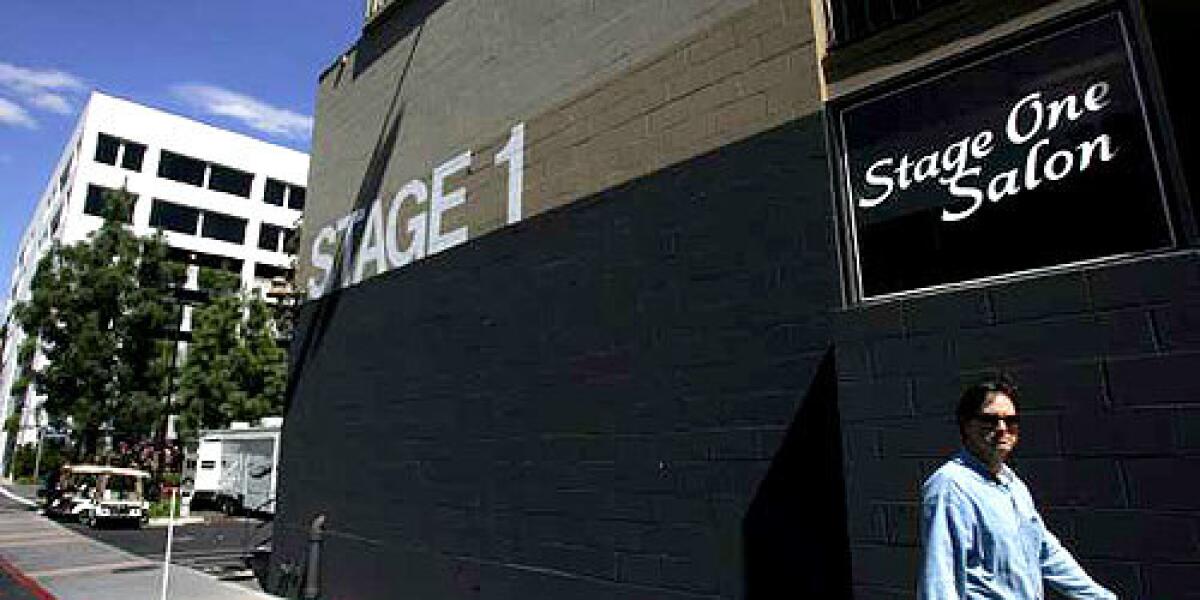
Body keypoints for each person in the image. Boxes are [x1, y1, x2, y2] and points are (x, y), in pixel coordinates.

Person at [918, 379, 1117, 599]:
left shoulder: (1013, 484)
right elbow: (940, 577)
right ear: (966, 424)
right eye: (989, 420)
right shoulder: (951, 486)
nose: (1002, 428)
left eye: (1010, 420)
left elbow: (1046, 552)